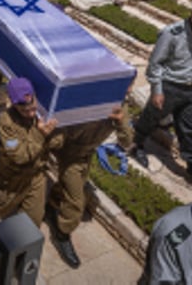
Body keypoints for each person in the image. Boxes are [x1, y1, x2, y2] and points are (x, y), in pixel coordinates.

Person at [131, 0, 192, 188]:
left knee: (190, 128)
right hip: (169, 87)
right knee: (151, 117)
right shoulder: (171, 34)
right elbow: (155, 64)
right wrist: (157, 91)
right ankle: (137, 144)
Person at [46, 105, 134, 268]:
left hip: (86, 154)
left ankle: (51, 205)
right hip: (70, 152)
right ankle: (62, 235)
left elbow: (127, 142)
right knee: (76, 202)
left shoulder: (119, 106)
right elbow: (66, 134)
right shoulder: (86, 101)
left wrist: (121, 121)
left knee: (69, 185)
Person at [0, 77, 63, 224]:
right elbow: (19, 156)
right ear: (14, 104)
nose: (31, 114)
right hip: (13, 177)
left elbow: (59, 142)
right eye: (24, 111)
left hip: (36, 175)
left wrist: (50, 136)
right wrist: (40, 135)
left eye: (33, 108)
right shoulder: (6, 122)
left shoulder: (44, 113)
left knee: (32, 222)